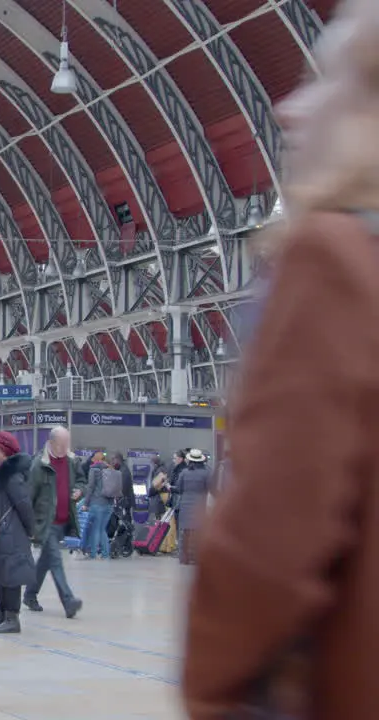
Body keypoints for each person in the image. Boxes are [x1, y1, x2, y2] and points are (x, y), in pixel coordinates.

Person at [185, 7, 377, 713]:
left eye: (324, 82)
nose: (290, 109)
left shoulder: (334, 261)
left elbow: (271, 538)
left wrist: (210, 691)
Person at [23, 427, 84, 619]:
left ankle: (30, 594)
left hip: (63, 520)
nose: (66, 447)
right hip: (45, 522)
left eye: (68, 443)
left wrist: (80, 490)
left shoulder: (72, 461)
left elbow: (82, 481)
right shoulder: (39, 465)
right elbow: (29, 496)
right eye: (63, 444)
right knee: (56, 560)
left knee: (46, 561)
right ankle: (68, 601)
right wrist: (29, 525)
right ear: (52, 443)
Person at [0, 431, 35, 635]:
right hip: (1, 532)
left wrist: (30, 530)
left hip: (12, 532)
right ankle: (2, 615)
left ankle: (13, 618)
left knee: (11, 576)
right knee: (2, 574)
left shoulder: (11, 475)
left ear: (3, 451)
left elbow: (23, 503)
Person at [175, 449, 214, 566]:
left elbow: (179, 489)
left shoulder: (184, 473)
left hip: (185, 506)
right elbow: (211, 488)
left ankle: (184, 558)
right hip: (200, 506)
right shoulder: (206, 473)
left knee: (185, 533)